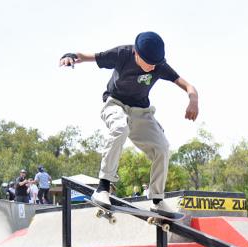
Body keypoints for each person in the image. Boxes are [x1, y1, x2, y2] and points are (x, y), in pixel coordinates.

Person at [59, 31, 199, 216]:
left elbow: (188, 85)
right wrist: (72, 56)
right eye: (148, 63)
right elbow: (91, 56)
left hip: (142, 113)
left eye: (155, 64)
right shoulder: (122, 53)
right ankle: (103, 188)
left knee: (162, 147)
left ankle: (157, 199)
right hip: (115, 104)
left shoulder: (159, 66)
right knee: (120, 128)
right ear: (136, 53)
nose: (151, 68)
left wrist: (193, 99)